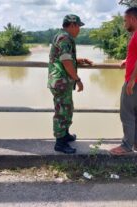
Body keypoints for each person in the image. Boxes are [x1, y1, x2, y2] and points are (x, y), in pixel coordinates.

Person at [110, 7, 137, 155]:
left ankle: (126, 146)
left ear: (132, 19)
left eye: (125, 20)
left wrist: (132, 79)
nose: (124, 24)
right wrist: (127, 60)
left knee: (126, 112)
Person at [48, 14, 93, 154]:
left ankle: (65, 134)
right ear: (72, 25)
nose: (79, 29)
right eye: (78, 26)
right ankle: (60, 143)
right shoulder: (65, 38)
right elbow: (66, 62)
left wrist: (79, 60)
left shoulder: (61, 36)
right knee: (62, 111)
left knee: (67, 108)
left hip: (61, 81)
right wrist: (78, 80)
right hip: (61, 81)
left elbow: (63, 58)